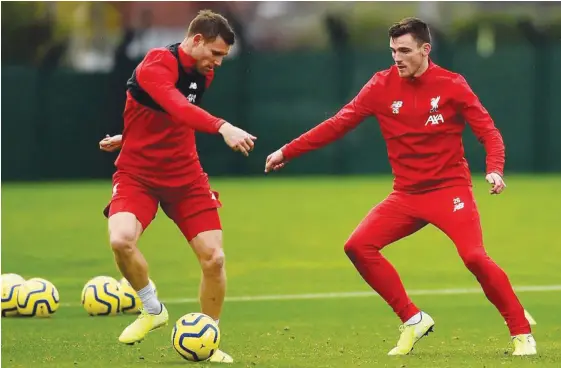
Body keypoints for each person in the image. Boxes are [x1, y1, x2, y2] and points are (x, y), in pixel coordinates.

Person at [264, 18, 536, 357]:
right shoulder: (380, 86)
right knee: (358, 246)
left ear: (425, 50)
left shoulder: (452, 85)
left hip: (450, 191)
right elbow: (338, 124)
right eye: (393, 51)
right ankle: (413, 319)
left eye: (405, 50)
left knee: (474, 257)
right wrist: (286, 151)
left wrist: (494, 170)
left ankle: (522, 333)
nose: (397, 57)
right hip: (406, 195)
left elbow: (488, 132)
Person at [99, 10, 256, 363]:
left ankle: (209, 337)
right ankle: (152, 308)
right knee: (121, 240)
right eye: (215, 53)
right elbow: (176, 107)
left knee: (214, 259)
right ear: (196, 39)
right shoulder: (156, 65)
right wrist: (223, 126)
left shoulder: (203, 72)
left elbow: (169, 116)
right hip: (138, 176)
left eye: (224, 57)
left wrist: (129, 135)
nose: (218, 63)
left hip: (185, 177)